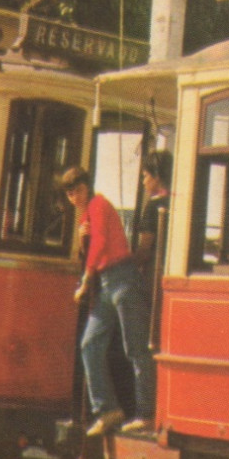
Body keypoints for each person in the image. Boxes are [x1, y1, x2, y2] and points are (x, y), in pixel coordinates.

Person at [61, 166, 155, 436]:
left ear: (86, 188)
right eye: (69, 194)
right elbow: (92, 249)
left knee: (136, 349)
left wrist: (86, 282)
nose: (74, 197)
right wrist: (82, 239)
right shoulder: (87, 215)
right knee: (90, 344)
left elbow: (101, 244)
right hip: (107, 283)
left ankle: (147, 414)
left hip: (123, 279)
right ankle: (108, 410)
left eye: (77, 190)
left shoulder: (99, 205)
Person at [134, 151, 172, 290]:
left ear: (156, 176)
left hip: (153, 276)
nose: (143, 182)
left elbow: (145, 249)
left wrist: (127, 269)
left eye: (145, 176)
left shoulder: (152, 206)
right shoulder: (175, 202)